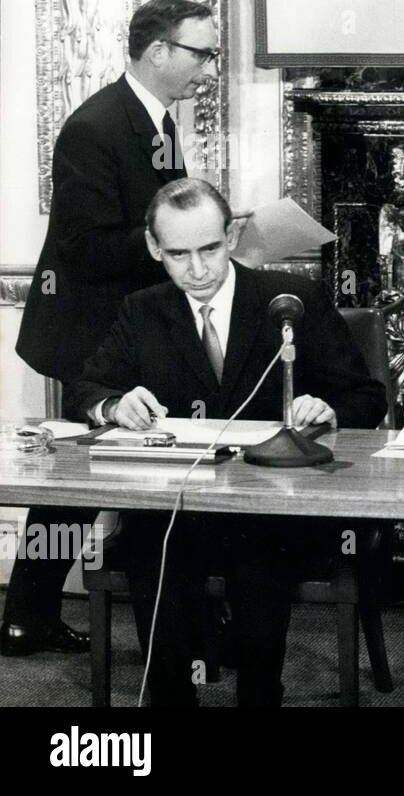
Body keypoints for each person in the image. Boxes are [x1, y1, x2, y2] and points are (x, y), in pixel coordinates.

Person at [64, 179, 386, 706]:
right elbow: (85, 388)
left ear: (232, 236)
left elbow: (366, 397)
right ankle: (171, 701)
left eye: (209, 249)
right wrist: (112, 405)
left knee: (259, 562)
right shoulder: (142, 311)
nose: (197, 269)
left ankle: (261, 698)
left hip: (272, 510)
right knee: (152, 550)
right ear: (154, 249)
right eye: (178, 254)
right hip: (177, 509)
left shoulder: (292, 302)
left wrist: (327, 410)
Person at [4, 0, 216, 658]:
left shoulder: (155, 121)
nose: (207, 68)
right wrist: (173, 238)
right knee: (73, 486)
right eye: (200, 53)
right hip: (88, 332)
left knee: (81, 484)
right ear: (158, 51)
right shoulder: (96, 126)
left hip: (122, 327)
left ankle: (28, 615)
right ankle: (25, 616)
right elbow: (86, 246)